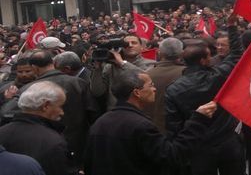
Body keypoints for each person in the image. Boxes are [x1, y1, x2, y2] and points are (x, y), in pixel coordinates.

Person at [84, 69, 218, 175]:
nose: (154, 89)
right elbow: (172, 156)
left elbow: (89, 164)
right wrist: (198, 120)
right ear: (137, 92)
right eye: (151, 85)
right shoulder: (141, 126)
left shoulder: (100, 122)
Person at [165, 14, 245, 175]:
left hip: (198, 146)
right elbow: (237, 55)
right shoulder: (217, 76)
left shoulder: (173, 90)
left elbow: (174, 126)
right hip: (227, 141)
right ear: (203, 60)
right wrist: (232, 27)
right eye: (210, 55)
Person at [16, 49, 96, 169]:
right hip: (78, 145)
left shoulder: (28, 89)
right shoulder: (78, 83)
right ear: (53, 62)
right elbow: (93, 113)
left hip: (42, 147)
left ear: (34, 68)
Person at [0, 81, 72, 175]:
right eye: (60, 106)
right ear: (46, 106)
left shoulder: (2, 131)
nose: (62, 112)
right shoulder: (53, 141)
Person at [90, 34, 154, 110]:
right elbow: (97, 92)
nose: (130, 45)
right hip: (115, 113)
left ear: (142, 47)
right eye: (126, 44)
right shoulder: (110, 67)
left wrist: (122, 63)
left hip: (141, 112)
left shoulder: (151, 64)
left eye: (134, 43)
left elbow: (144, 78)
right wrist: (97, 69)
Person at [146, 37, 185, 133]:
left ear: (159, 52)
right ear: (182, 53)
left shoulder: (146, 75)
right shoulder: (188, 74)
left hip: (150, 129)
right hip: (179, 132)